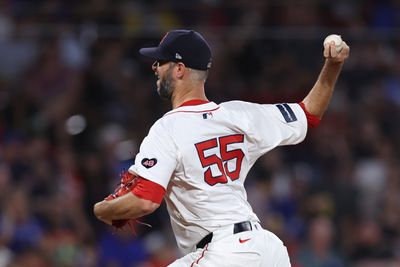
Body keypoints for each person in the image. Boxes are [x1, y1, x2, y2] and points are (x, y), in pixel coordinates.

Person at [94, 29, 350, 266]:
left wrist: (102, 209)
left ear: (180, 69)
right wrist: (333, 65)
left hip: (223, 253)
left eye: (161, 62)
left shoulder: (167, 128)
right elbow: (309, 113)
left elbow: (145, 200)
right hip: (267, 250)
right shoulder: (239, 114)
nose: (155, 67)